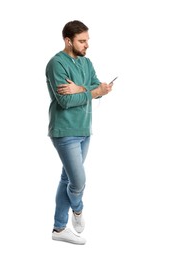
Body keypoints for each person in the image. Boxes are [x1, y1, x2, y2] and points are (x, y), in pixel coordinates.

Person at [45, 20, 113, 245]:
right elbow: (65, 100)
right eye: (82, 41)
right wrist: (92, 91)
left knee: (67, 178)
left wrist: (83, 88)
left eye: (87, 41)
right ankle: (78, 208)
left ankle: (58, 229)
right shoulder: (56, 64)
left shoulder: (87, 63)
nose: (86, 45)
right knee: (78, 182)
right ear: (68, 41)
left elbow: (98, 89)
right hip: (65, 131)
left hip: (84, 130)